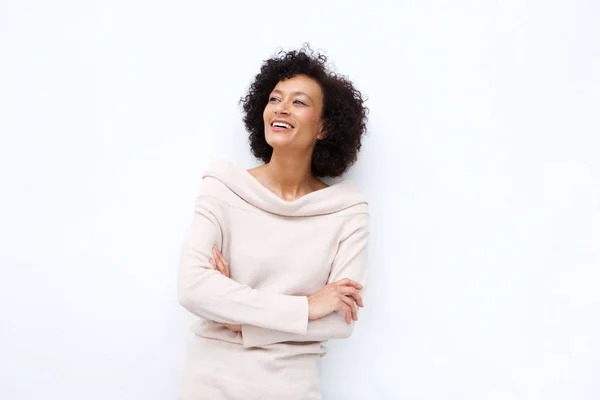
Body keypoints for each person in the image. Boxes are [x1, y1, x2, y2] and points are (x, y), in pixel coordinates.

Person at [177, 45, 370, 400]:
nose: (281, 108)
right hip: (211, 381)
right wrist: (306, 306)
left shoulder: (347, 211)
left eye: (299, 102)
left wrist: (238, 319)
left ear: (324, 126)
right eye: (275, 98)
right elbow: (192, 288)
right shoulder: (223, 187)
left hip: (292, 385)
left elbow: (339, 320)